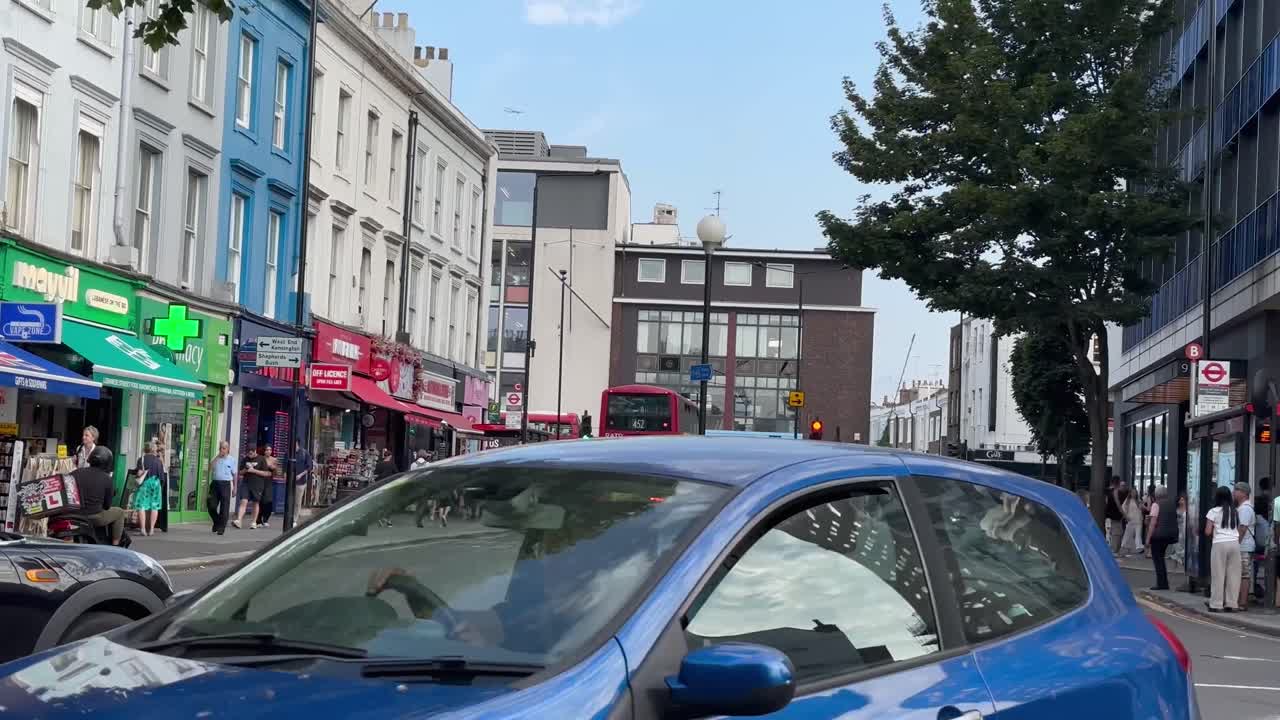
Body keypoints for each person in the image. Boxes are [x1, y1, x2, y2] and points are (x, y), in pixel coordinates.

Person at [71, 446, 124, 545]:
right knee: (120, 512)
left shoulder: (75, 473)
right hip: (94, 517)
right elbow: (107, 506)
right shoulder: (107, 478)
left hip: (73, 515)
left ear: (90, 459)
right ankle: (116, 545)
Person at [1205, 485, 1242, 612]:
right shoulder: (1235, 511)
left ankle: (1216, 604)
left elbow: (1208, 531)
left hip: (1219, 544)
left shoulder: (1213, 511)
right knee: (1234, 575)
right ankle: (1231, 603)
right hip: (1234, 544)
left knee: (1218, 575)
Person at [1146, 485, 1178, 591]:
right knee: (1161, 558)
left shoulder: (1156, 505)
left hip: (1158, 535)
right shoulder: (1171, 504)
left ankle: (1162, 583)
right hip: (1169, 535)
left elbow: (1153, 523)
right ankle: (1163, 582)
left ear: (1156, 494)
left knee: (1158, 560)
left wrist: (1148, 539)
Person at [233, 445, 271, 529]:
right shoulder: (245, 459)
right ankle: (239, 520)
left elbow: (267, 473)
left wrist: (254, 471)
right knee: (243, 501)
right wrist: (246, 470)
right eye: (248, 453)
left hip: (258, 485)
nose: (249, 455)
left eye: (251, 453)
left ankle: (254, 522)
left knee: (256, 502)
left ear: (255, 451)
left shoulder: (261, 459)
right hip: (246, 483)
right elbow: (240, 472)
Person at [132, 441, 166, 536]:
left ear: (145, 449)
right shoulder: (158, 461)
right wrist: (161, 486)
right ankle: (151, 529)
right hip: (155, 483)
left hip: (145, 484)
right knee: (154, 507)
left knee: (141, 506)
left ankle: (142, 529)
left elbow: (138, 473)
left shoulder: (141, 459)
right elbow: (162, 476)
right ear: (154, 450)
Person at [1235, 482, 1256, 611]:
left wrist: (1235, 544)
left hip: (1244, 546)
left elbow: (1242, 528)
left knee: (1244, 574)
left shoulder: (1245, 509)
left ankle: (1242, 602)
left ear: (1243, 493)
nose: (1234, 492)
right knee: (1241, 574)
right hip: (1243, 546)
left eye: (1236, 490)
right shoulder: (1243, 507)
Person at [207, 441, 236, 535]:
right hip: (215, 484)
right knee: (211, 505)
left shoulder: (231, 460)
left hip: (226, 484)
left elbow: (235, 474)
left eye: (224, 448)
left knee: (224, 507)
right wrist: (217, 457)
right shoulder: (216, 458)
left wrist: (234, 488)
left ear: (227, 449)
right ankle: (216, 521)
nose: (222, 450)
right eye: (220, 448)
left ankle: (221, 527)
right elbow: (210, 467)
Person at [255, 445, 281, 526]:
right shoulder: (260, 459)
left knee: (268, 501)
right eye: (267, 450)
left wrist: (274, 468)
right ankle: (258, 520)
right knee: (260, 501)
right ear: (264, 451)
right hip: (261, 481)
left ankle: (265, 519)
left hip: (269, 481)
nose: (268, 451)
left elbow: (277, 473)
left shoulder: (274, 460)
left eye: (270, 450)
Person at [291, 439, 311, 524]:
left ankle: (294, 519)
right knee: (290, 500)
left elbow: (309, 467)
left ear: (297, 443)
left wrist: (300, 475)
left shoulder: (304, 453)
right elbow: (285, 465)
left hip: (300, 482)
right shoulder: (289, 452)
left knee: (297, 501)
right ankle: (289, 517)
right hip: (290, 481)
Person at [1105, 477, 1126, 553]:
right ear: (1117, 483)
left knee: (1112, 533)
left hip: (1108, 515)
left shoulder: (1106, 491)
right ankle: (1114, 551)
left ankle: (1114, 550)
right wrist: (1125, 515)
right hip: (1115, 516)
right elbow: (1118, 505)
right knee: (1117, 534)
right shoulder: (1115, 491)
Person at [1121, 486, 1144, 555]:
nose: (1134, 494)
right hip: (1130, 520)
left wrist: (1140, 503)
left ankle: (1139, 547)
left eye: (1135, 492)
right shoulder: (1127, 501)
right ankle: (1125, 546)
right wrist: (1126, 517)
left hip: (1138, 520)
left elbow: (1141, 509)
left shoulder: (1139, 500)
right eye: (1132, 492)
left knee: (1138, 534)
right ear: (1130, 493)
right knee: (1128, 534)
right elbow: (1123, 508)